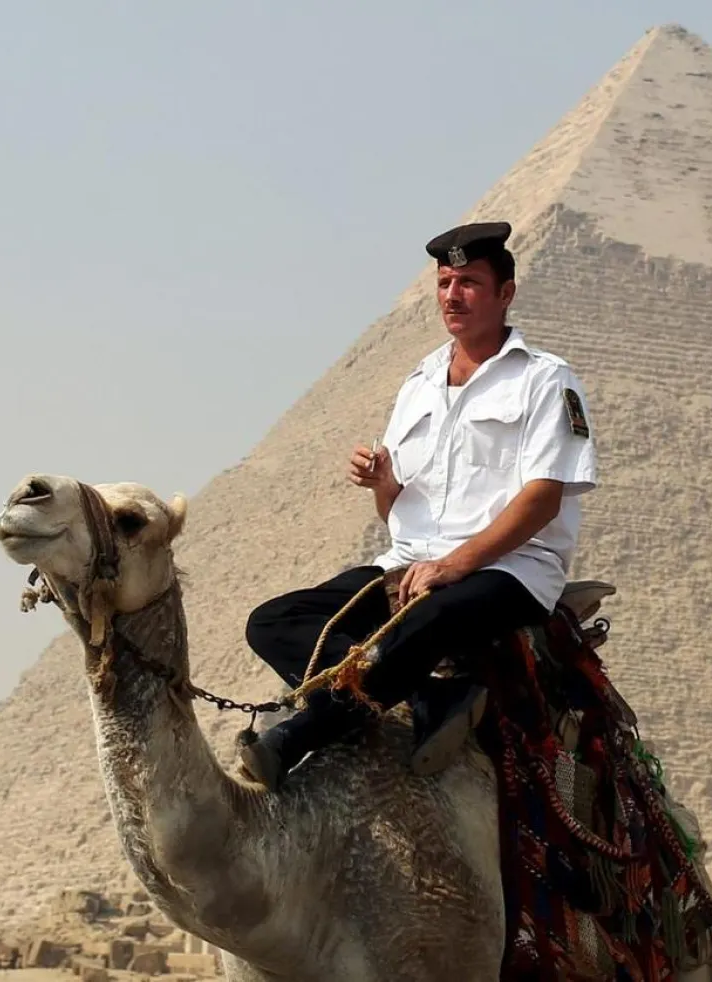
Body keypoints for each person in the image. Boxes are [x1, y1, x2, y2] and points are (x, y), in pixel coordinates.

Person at [239, 220, 598, 790]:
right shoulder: (420, 383)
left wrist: (456, 566)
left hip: (506, 572)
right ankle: (426, 688)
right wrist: (383, 485)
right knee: (271, 622)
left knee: (429, 618)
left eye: (470, 282)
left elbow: (542, 499)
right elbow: (404, 513)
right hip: (407, 564)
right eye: (445, 282)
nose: (453, 295)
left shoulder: (544, 380)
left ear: (505, 293)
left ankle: (297, 737)